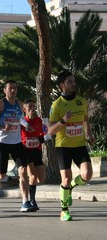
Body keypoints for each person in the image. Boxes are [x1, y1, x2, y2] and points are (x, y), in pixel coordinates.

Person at [0, 79, 36, 212]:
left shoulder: (19, 104)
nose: (13, 90)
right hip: (2, 143)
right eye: (10, 88)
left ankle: (25, 202)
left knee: (23, 171)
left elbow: (20, 118)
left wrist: (27, 125)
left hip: (16, 143)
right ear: (4, 90)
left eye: (15, 88)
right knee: (1, 175)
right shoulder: (0, 104)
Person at [48, 71, 95, 221]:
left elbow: (86, 120)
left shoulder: (82, 101)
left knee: (87, 175)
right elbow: (50, 130)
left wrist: (89, 134)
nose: (73, 84)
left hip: (79, 145)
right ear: (62, 85)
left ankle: (71, 188)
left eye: (74, 81)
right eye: (69, 82)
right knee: (65, 180)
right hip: (63, 147)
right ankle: (64, 210)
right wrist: (63, 121)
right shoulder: (57, 105)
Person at [20, 99, 46, 211]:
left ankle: (32, 198)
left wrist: (41, 138)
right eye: (29, 106)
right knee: (33, 176)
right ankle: (32, 200)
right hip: (26, 151)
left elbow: (42, 133)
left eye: (33, 106)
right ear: (24, 109)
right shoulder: (22, 121)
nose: (32, 108)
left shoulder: (39, 120)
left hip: (37, 151)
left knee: (42, 178)